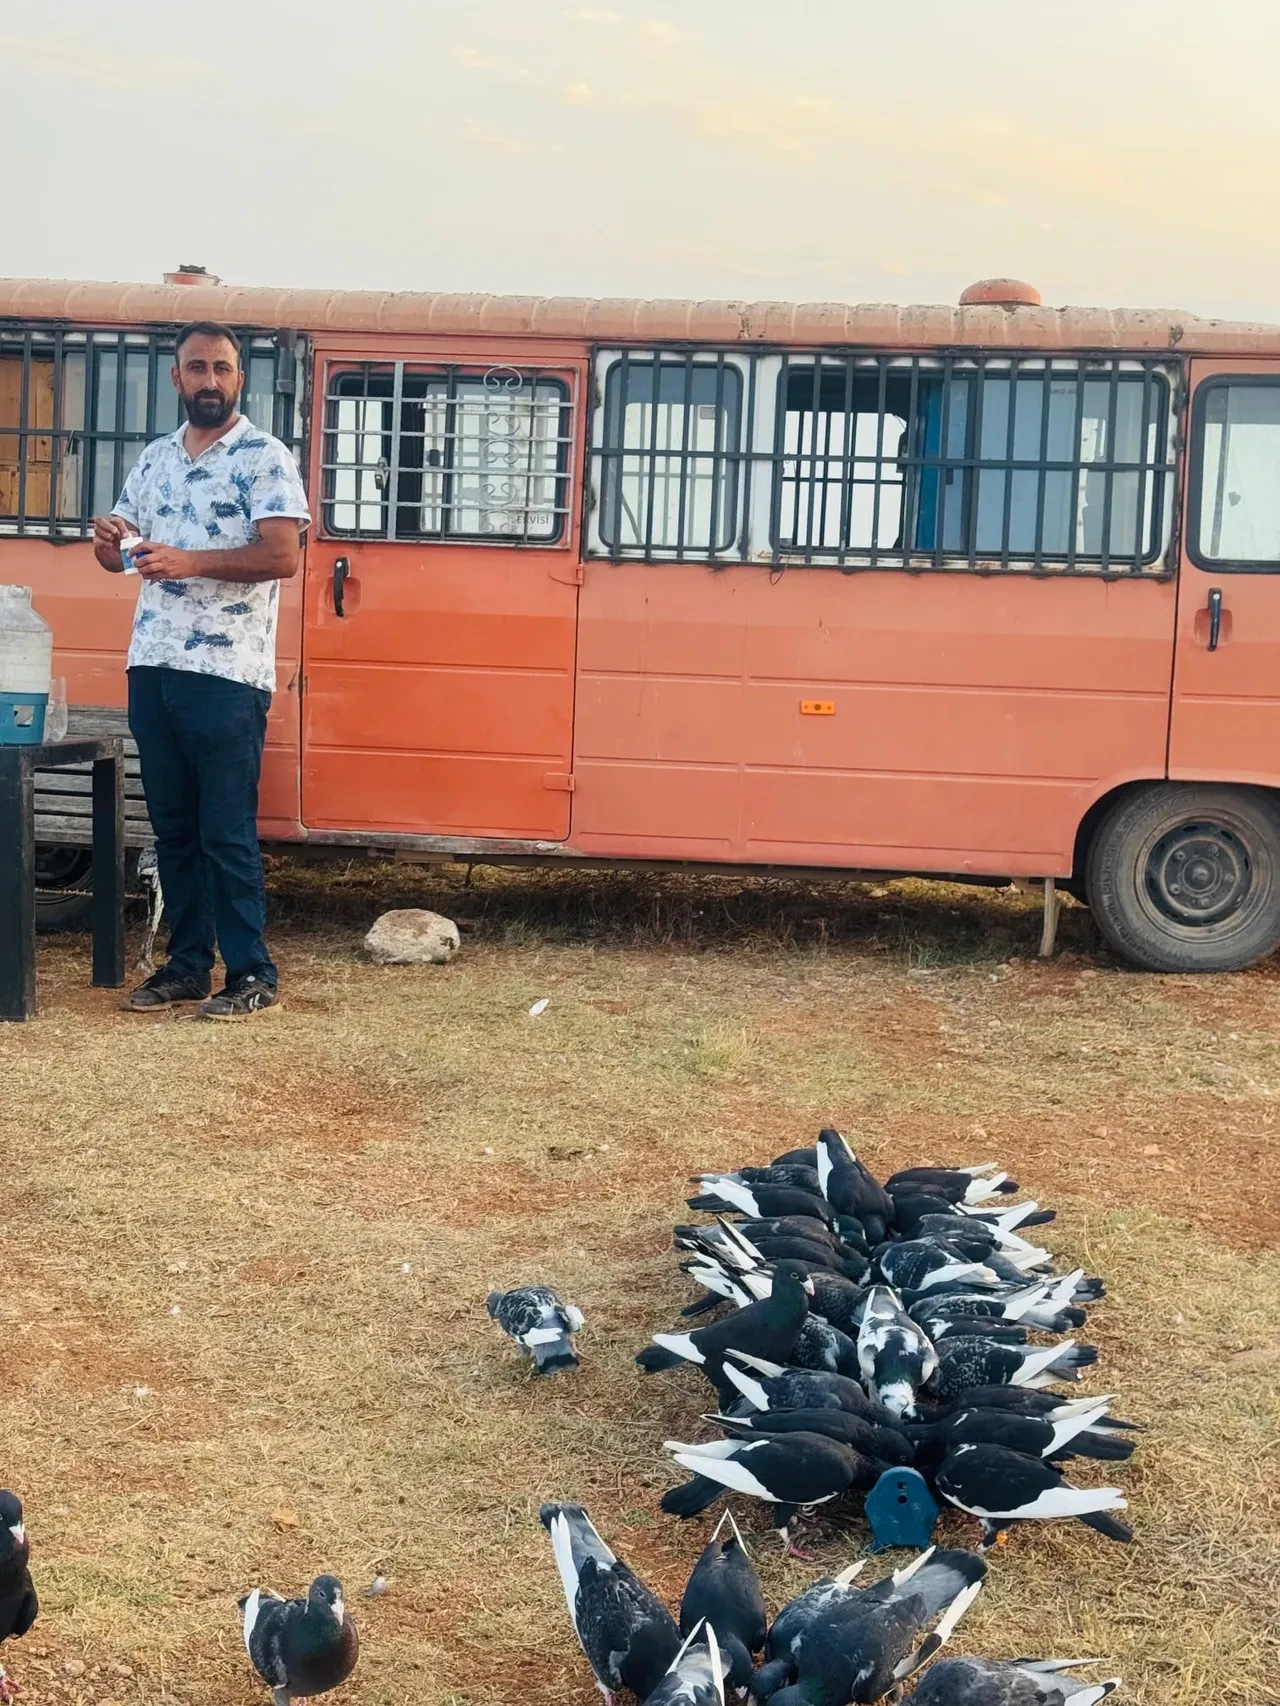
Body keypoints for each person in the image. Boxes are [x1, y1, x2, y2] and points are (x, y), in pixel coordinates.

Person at [93, 321, 310, 1019]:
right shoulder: (154, 460)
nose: (209, 380)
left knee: (224, 830)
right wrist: (109, 542)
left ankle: (251, 972)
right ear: (176, 378)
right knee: (174, 830)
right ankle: (188, 966)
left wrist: (191, 561)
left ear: (238, 378)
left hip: (226, 674)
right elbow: (118, 557)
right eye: (197, 367)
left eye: (222, 368)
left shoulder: (263, 457)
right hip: (152, 665)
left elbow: (283, 557)